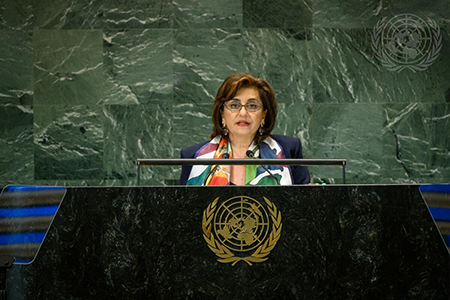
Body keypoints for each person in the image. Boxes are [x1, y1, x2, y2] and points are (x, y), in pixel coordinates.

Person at [179, 73, 310, 186]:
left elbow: (305, 206)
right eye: (234, 105)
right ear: (222, 115)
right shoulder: (193, 157)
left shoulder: (289, 150)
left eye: (252, 105)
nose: (243, 113)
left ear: (263, 115)